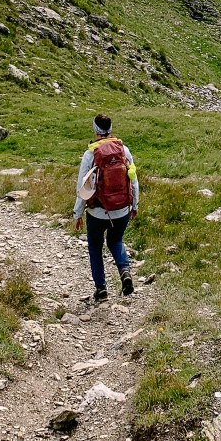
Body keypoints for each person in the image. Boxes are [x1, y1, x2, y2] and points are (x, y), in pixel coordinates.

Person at [73, 114, 139, 301]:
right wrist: (134, 205)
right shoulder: (124, 150)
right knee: (115, 241)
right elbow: (133, 180)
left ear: (95, 130)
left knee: (95, 247)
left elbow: (82, 186)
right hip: (122, 209)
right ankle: (124, 271)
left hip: (97, 211)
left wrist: (78, 213)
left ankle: (101, 290)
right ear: (110, 129)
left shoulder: (90, 154)